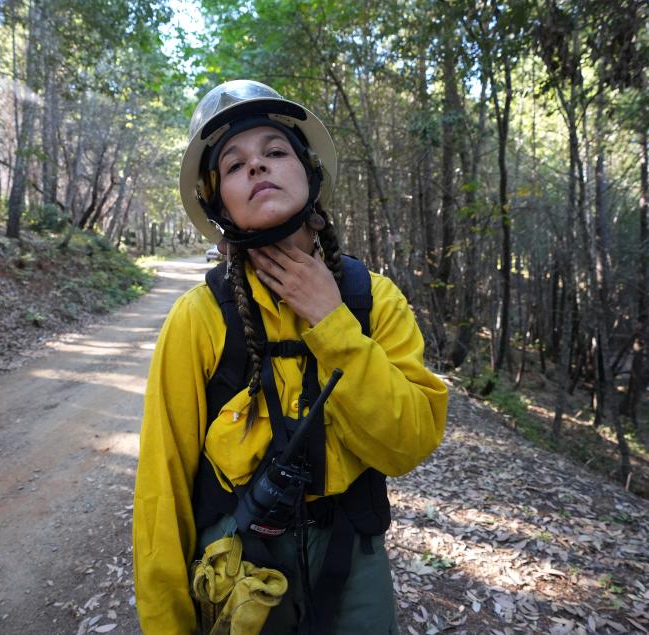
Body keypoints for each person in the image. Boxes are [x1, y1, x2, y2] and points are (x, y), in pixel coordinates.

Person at [132, 80, 448, 635]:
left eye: (275, 152)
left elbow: (409, 443)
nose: (257, 168)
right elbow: (163, 489)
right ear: (217, 201)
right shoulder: (199, 316)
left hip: (352, 555)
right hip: (237, 566)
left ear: (309, 172)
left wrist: (332, 322)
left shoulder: (373, 299)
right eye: (234, 165)